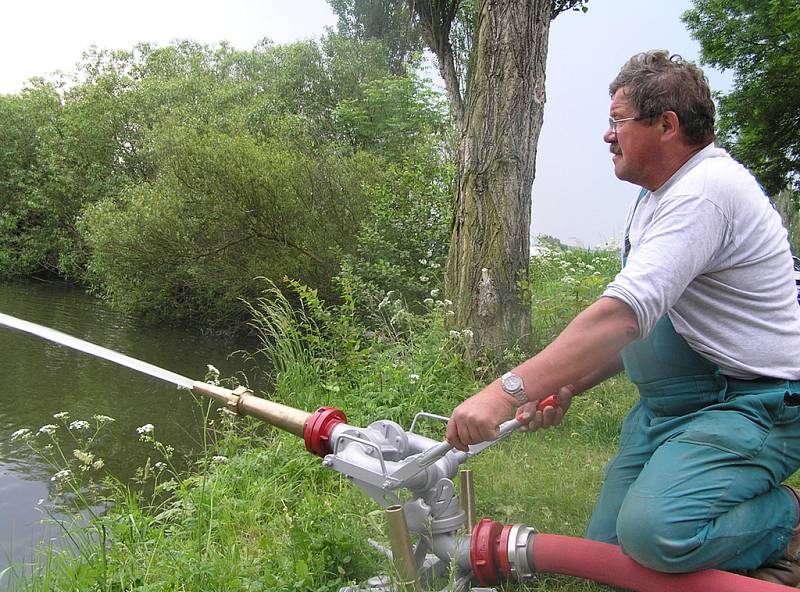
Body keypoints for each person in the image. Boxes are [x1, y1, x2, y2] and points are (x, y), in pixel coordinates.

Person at [445, 50, 800, 585]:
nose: (607, 136)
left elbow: (624, 318)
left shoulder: (705, 194)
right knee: (611, 558)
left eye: (617, 121)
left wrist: (504, 392)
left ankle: (786, 521)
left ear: (666, 125)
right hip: (672, 408)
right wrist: (566, 384)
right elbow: (652, 325)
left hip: (752, 402)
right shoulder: (659, 197)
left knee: (657, 538)